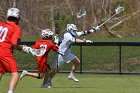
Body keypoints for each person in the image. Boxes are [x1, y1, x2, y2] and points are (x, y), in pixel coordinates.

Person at [0, 7, 42, 93]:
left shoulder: (1, 24)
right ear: (18, 18)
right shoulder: (16, 28)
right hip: (4, 52)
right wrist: (24, 48)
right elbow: (14, 44)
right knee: (15, 74)